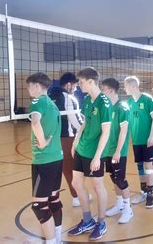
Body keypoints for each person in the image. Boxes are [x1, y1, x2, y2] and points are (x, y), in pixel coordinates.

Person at [68, 67, 110, 240]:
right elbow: (85, 122)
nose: (79, 85)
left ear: (91, 82)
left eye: (81, 82)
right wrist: (76, 140)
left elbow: (106, 132)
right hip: (82, 149)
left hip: (94, 152)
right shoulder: (86, 99)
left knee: (98, 187)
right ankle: (87, 220)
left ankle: (101, 222)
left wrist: (98, 156)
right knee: (76, 184)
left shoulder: (104, 102)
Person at [27, 72, 63, 244]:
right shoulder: (52, 104)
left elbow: (35, 122)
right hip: (57, 158)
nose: (28, 89)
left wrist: (41, 142)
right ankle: (57, 238)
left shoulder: (38, 101)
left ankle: (51, 241)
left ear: (36, 86)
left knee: (39, 206)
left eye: (29, 86)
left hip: (44, 160)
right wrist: (46, 140)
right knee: (53, 199)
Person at [48, 72, 90, 207]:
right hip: (68, 139)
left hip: (54, 139)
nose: (76, 89)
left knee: (65, 168)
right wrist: (89, 129)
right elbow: (75, 122)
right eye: (75, 86)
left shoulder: (49, 97)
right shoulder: (68, 98)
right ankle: (77, 195)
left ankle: (74, 195)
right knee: (74, 168)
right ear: (68, 85)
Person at [100, 78, 134, 224]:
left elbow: (124, 131)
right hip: (107, 150)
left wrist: (118, 151)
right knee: (113, 178)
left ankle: (128, 209)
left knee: (120, 179)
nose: (101, 93)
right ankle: (119, 204)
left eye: (103, 90)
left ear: (111, 91)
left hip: (117, 151)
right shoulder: (106, 107)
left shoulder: (122, 107)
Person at [124, 76, 153, 209]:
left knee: (148, 167)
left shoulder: (147, 99)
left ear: (133, 86)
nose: (124, 89)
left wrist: (151, 136)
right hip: (136, 140)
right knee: (140, 167)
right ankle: (143, 191)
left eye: (126, 86)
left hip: (147, 140)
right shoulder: (129, 102)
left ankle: (150, 194)